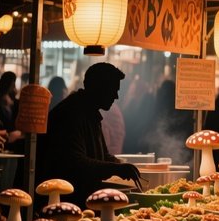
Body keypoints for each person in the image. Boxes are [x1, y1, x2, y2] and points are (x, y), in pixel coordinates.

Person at [36, 63, 142, 206]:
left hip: (81, 199)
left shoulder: (90, 111)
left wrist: (121, 165)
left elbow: (102, 155)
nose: (116, 96)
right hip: (62, 202)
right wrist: (116, 169)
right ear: (99, 87)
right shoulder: (71, 113)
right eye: (113, 90)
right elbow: (76, 163)